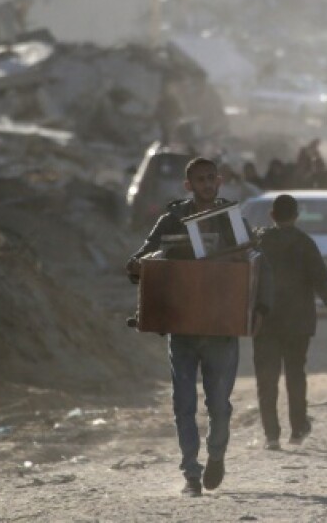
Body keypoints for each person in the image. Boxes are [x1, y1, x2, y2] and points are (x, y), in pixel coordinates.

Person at [124, 157, 248, 497]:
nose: (207, 184)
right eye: (200, 180)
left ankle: (216, 456)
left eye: (211, 178)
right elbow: (144, 257)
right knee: (183, 404)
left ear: (219, 181)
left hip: (221, 328)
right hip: (182, 328)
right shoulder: (172, 220)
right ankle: (191, 472)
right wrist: (138, 265)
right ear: (188, 185)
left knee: (219, 405)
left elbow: (253, 262)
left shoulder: (231, 221)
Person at [253, 194, 327, 450]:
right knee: (296, 374)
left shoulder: (259, 242)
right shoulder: (305, 243)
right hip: (297, 322)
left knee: (267, 378)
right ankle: (297, 429)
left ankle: (271, 435)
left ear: (272, 215)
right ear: (296, 216)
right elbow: (322, 281)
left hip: (265, 320)